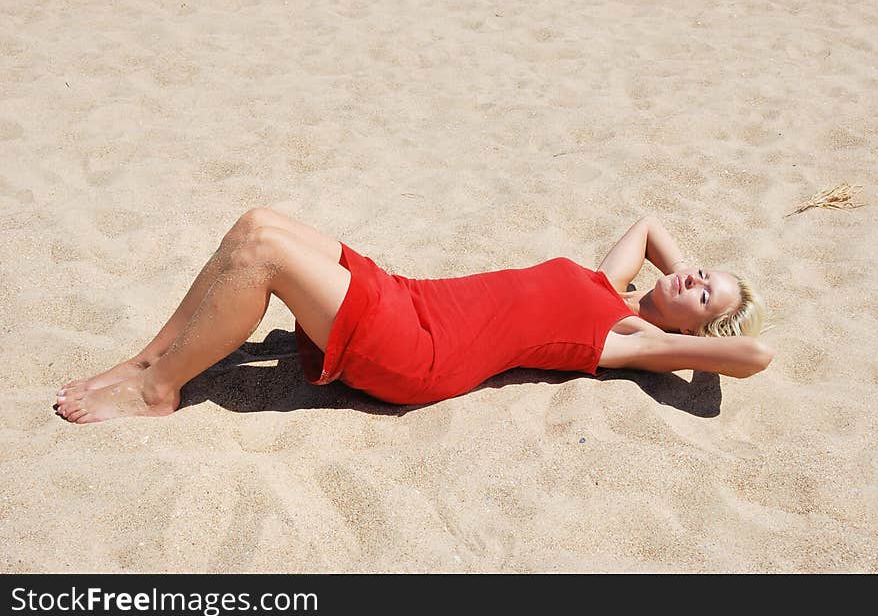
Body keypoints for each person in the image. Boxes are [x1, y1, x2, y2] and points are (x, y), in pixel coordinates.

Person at [53, 209, 774, 423]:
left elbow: (753, 358)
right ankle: (148, 359)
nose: (695, 275)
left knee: (264, 257)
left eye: (706, 292)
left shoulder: (631, 337)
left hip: (423, 351)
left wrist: (702, 338)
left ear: (687, 332)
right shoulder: (607, 286)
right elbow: (650, 224)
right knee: (256, 224)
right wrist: (702, 278)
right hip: (411, 295)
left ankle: (159, 390)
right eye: (705, 272)